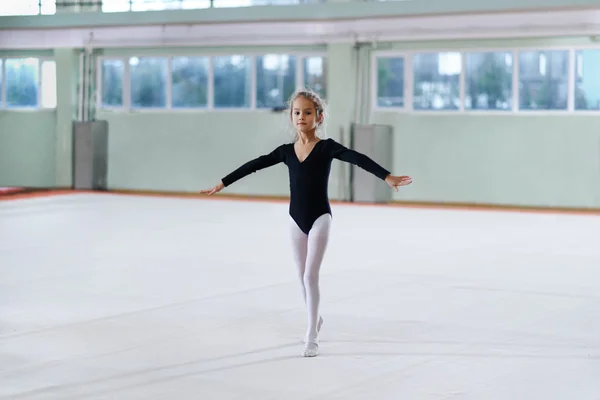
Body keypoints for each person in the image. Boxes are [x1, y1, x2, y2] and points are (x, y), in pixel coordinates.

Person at [200, 89, 412, 357]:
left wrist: (386, 176)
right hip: (295, 219)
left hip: (320, 218)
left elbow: (357, 158)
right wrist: (223, 182)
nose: (301, 116)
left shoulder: (326, 147)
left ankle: (311, 334)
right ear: (291, 116)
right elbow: (254, 164)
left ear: (318, 117)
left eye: (307, 112)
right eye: (297, 112)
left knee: (311, 275)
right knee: (302, 276)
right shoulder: (286, 152)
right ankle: (316, 318)